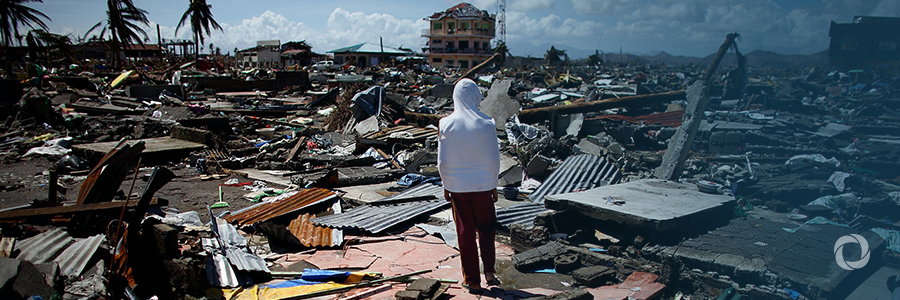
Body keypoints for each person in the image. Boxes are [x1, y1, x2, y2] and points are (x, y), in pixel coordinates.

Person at [437, 78, 501, 294]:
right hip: (484, 185)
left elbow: (442, 160)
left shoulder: (445, 123)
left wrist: (447, 184)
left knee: (465, 233)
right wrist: (493, 184)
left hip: (458, 187)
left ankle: (473, 281)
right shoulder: (487, 122)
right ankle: (490, 273)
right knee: (487, 229)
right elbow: (494, 158)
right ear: (476, 97)